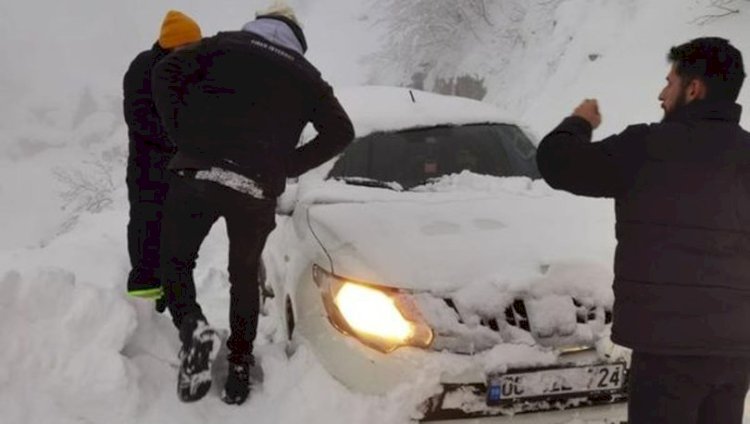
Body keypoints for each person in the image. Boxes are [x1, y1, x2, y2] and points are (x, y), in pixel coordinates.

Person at [536, 37, 749, 423]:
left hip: (667, 352)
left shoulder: (646, 147)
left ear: (694, 88)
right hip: (735, 352)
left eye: (670, 82)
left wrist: (579, 121)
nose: (661, 94)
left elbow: (557, 163)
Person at [152, 1, 354, 405]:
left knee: (175, 261)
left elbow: (165, 72)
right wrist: (283, 165)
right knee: (244, 276)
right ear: (297, 40)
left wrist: (185, 137)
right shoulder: (307, 77)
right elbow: (341, 131)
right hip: (255, 188)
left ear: (260, 24)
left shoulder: (221, 46)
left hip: (199, 173)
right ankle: (240, 366)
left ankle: (194, 329)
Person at [123, 10, 202, 306]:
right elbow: (139, 118)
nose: (194, 52)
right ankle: (144, 301)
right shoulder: (143, 67)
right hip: (149, 169)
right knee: (147, 227)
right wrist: (183, 142)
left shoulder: (193, 69)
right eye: (188, 47)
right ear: (171, 45)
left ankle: (174, 298)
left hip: (182, 171)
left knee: (177, 236)